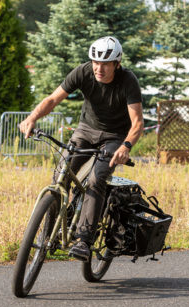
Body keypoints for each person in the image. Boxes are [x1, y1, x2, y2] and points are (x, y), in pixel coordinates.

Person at [19, 36, 144, 261]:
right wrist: (32, 117)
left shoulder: (128, 81)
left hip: (114, 137)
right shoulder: (83, 72)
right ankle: (55, 229)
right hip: (86, 130)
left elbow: (137, 123)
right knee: (61, 175)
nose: (99, 68)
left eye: (105, 64)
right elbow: (52, 99)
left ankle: (84, 240)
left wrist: (126, 146)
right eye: (96, 62)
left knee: (97, 179)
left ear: (117, 63)